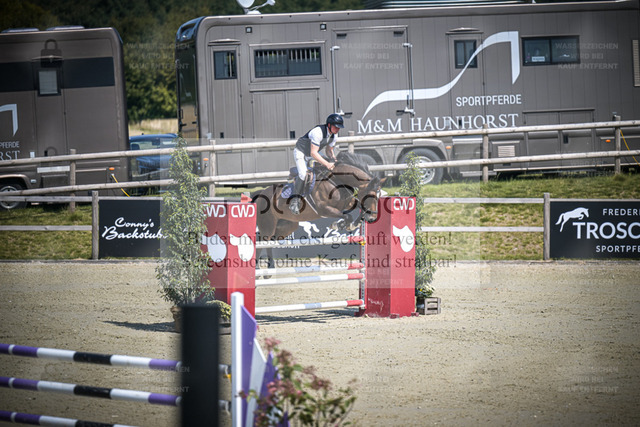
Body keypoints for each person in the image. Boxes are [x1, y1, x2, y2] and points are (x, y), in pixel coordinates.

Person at [289, 113, 344, 215]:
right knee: (303, 174)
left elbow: (329, 150)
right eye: (336, 127)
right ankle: (295, 200)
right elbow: (313, 153)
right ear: (329, 125)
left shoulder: (334, 135)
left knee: (328, 168)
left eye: (339, 127)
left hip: (313, 152)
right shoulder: (317, 132)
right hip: (301, 152)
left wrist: (333, 159)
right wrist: (327, 164)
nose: (337, 129)